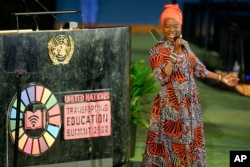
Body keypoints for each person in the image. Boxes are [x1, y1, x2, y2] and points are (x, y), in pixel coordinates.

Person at [142, 4, 239, 167]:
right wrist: (173, 52)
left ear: (181, 26)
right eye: (168, 26)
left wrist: (221, 78)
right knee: (172, 146)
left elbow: (199, 69)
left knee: (191, 143)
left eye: (176, 26)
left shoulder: (185, 45)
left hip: (190, 104)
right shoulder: (156, 50)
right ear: (162, 26)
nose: (172, 30)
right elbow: (161, 77)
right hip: (170, 107)